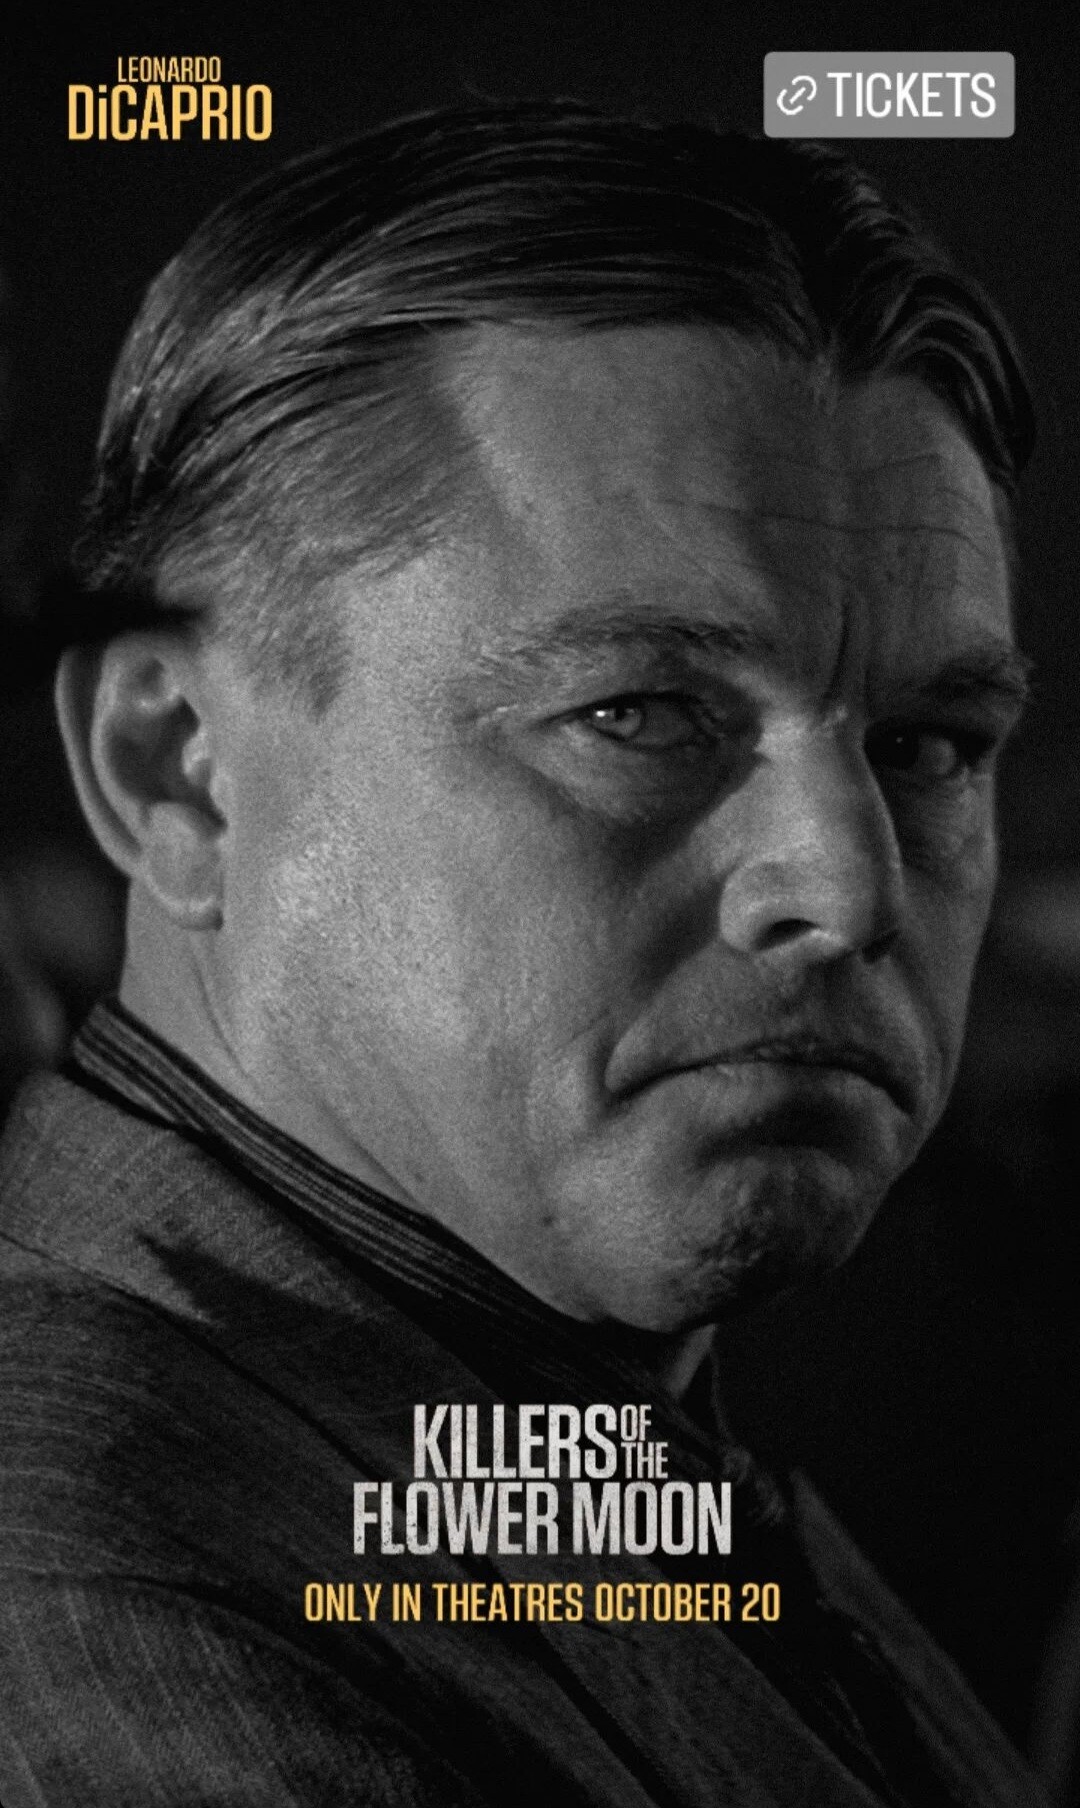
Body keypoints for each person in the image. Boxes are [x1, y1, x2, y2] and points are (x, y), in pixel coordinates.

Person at [0, 101, 1048, 1806]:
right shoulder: (103, 1598)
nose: (850, 893)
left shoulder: (545, 1440)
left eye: (929, 745)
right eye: (637, 715)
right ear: (175, 768)